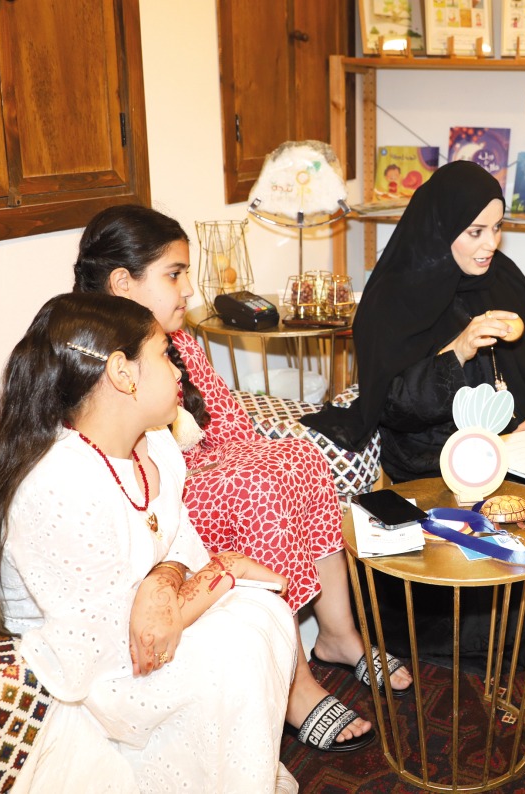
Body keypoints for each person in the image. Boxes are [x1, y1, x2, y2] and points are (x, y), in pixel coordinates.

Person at [0, 293, 301, 791]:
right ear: (123, 373)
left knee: (258, 614)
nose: (179, 371)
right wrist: (225, 570)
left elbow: (180, 550)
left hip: (121, 634)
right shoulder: (59, 483)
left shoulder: (159, 447)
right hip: (82, 665)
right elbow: (116, 646)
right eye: (166, 355)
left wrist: (163, 578)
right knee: (238, 641)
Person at [73, 205, 411, 752]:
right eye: (174, 274)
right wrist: (255, 471)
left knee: (297, 458)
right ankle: (295, 685)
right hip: (160, 495)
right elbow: (125, 455)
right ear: (122, 283)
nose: (188, 289)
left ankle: (338, 634)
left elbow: (230, 425)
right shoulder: (100, 355)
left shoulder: (175, 338)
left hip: (205, 472)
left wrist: (271, 459)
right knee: (259, 483)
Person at [302, 160, 525, 665]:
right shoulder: (393, 297)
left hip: (516, 420)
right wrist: (459, 350)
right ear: (442, 228)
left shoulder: (499, 275)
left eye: (497, 228)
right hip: (440, 446)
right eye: (475, 232)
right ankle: (514, 634)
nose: (491, 244)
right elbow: (396, 405)